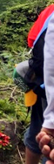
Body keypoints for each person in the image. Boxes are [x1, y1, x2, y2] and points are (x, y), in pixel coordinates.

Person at [36, 14, 54, 164]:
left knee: (37, 132)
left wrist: (51, 121)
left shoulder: (49, 13)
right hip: (40, 85)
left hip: (40, 85)